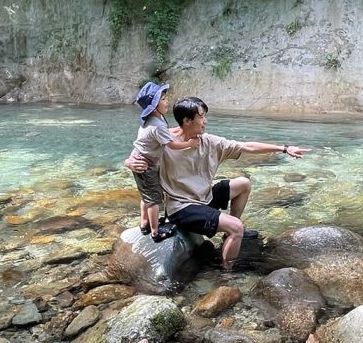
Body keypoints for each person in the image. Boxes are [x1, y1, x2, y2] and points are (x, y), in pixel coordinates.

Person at [127, 96, 306, 272]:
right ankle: (226, 271)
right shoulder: (165, 143)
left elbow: (246, 147)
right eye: (201, 116)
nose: (205, 121)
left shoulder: (210, 141)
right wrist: (129, 163)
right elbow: (137, 154)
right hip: (182, 208)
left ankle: (230, 234)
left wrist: (284, 148)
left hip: (205, 198)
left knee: (243, 183)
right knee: (237, 228)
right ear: (187, 120)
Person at [129, 81, 199, 241]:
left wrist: (179, 130)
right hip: (145, 165)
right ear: (154, 106)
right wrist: (189, 143)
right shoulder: (157, 125)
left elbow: (164, 133)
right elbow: (172, 145)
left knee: (146, 196)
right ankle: (155, 232)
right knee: (154, 199)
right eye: (163, 99)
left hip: (141, 159)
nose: (167, 101)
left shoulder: (152, 120)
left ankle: (144, 223)